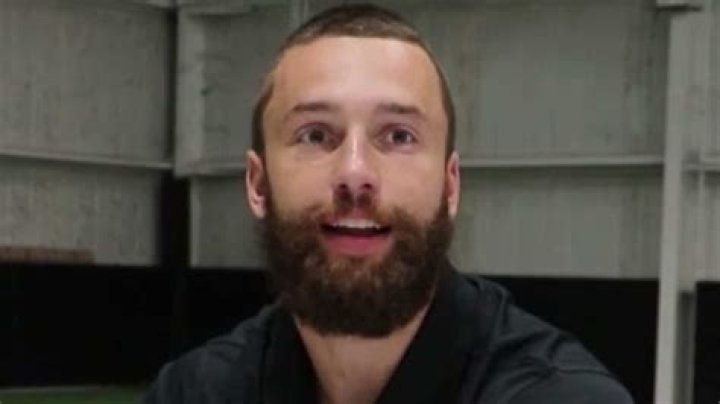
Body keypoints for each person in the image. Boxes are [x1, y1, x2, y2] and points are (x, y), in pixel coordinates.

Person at [145, 4, 634, 404]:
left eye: (398, 136)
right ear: (257, 184)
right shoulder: (194, 393)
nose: (355, 173)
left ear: (450, 186)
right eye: (315, 135)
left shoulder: (561, 396)